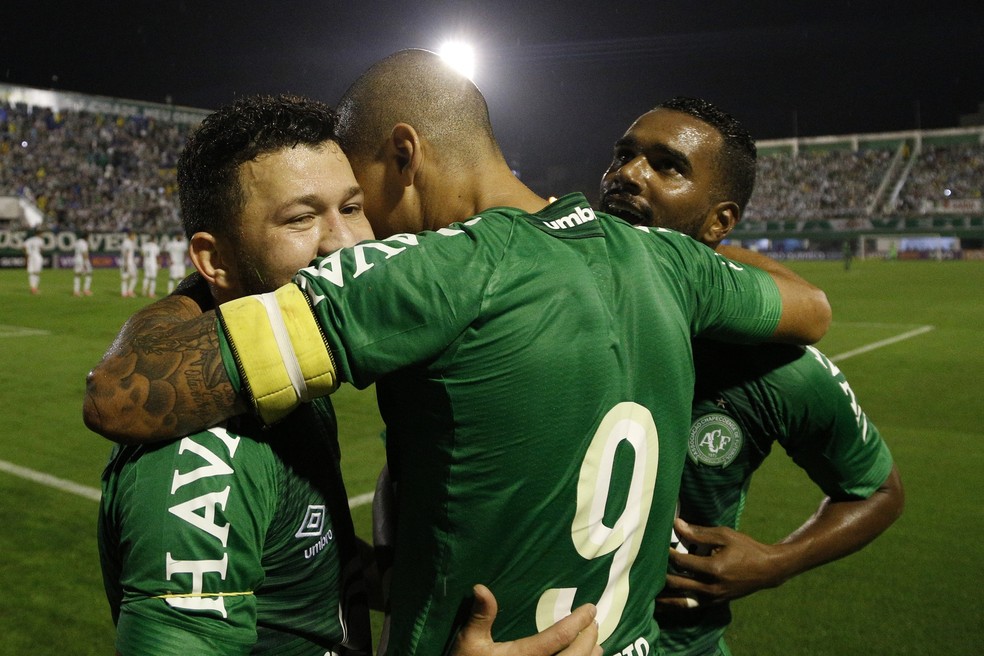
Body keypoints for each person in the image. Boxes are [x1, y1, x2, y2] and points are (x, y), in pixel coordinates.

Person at [85, 50, 830, 655]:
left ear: (403, 155)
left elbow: (118, 395)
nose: (356, 234)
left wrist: (207, 285)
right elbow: (811, 308)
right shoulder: (666, 260)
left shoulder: (429, 271)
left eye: (356, 197)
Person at [90, 93, 601, 656]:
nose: (344, 242)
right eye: (301, 218)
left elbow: (299, 560)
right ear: (216, 261)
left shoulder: (289, 375)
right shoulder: (201, 459)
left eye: (353, 208)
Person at [599, 96, 904, 656]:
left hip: (679, 645)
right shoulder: (544, 299)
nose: (628, 174)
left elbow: (878, 491)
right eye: (623, 155)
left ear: (720, 221)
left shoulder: (774, 367)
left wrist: (776, 562)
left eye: (667, 165)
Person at [23, 227, 44, 294]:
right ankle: (35, 288)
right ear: (39, 233)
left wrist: (26, 253)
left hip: (30, 256)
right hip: (37, 256)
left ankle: (32, 288)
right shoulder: (40, 240)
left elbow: (23, 247)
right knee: (37, 272)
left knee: (31, 272)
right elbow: (42, 249)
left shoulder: (30, 239)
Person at [73, 230, 93, 296]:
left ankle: (76, 291)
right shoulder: (84, 243)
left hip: (76, 258)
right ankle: (86, 290)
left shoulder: (78, 242)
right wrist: (85, 263)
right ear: (86, 237)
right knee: (89, 273)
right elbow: (84, 253)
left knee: (77, 275)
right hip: (82, 259)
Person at [119, 230, 138, 297]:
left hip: (124, 262)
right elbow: (126, 253)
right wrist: (126, 263)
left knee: (125, 278)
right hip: (128, 262)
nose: (135, 237)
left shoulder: (125, 242)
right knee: (134, 277)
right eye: (134, 235)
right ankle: (130, 291)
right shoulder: (128, 243)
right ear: (131, 235)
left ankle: (124, 293)